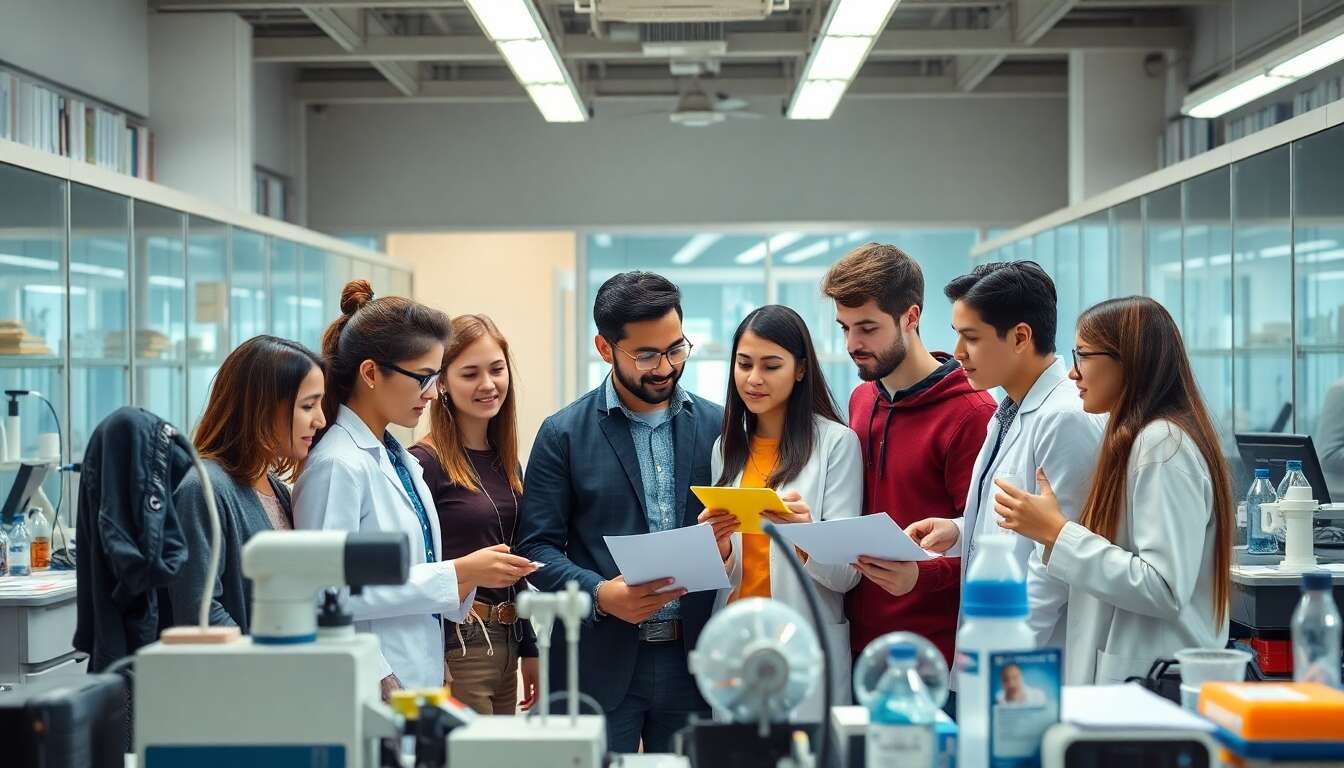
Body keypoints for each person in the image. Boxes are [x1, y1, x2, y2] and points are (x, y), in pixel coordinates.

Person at [294, 280, 536, 699]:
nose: (431, 393)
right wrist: (459, 573)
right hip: (372, 682)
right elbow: (325, 594)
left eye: (435, 378)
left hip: (417, 672)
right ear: (370, 373)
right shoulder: (338, 464)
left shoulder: (394, 458)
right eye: (423, 377)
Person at [516, 271, 724, 753]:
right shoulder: (563, 434)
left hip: (696, 658)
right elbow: (535, 547)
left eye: (676, 349)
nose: (666, 367)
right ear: (605, 348)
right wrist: (600, 593)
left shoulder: (720, 425)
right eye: (646, 355)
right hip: (599, 659)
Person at [991, 296, 1234, 685]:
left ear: (1129, 360)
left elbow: (1164, 587)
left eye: (1083, 355)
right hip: (1133, 677)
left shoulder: (1162, 445)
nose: (1073, 373)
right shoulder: (1137, 439)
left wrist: (1057, 533)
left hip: (1152, 683)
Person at [907, 262, 1104, 652]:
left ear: (1020, 337)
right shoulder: (1008, 410)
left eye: (971, 338)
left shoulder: (1063, 418)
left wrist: (1004, 657)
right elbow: (1019, 525)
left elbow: (1055, 561)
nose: (958, 353)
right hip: (994, 650)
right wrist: (960, 531)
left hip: (1027, 662)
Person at [820, 243, 996, 676]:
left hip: (934, 659)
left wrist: (922, 577)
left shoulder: (971, 414)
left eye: (867, 328)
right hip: (859, 646)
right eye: (844, 328)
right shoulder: (862, 398)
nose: (852, 344)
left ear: (910, 317)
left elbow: (992, 550)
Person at [702, 304, 863, 722]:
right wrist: (719, 548)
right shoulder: (725, 449)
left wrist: (804, 533)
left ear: (800, 369)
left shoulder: (837, 444)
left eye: (771, 366)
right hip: (737, 640)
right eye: (744, 364)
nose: (753, 379)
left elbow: (847, 573)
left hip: (801, 640)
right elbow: (730, 573)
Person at [408, 314, 540, 715]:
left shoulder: (506, 462)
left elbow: (520, 557)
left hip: (508, 638)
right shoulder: (424, 464)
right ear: (442, 383)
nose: (488, 384)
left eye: (497, 370)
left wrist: (530, 647)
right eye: (470, 373)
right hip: (459, 644)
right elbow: (415, 570)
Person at [170, 335, 326, 631]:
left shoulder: (276, 489)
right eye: (308, 406)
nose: (319, 420)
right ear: (262, 409)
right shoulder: (204, 490)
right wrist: (264, 661)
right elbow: (200, 613)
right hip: (245, 674)